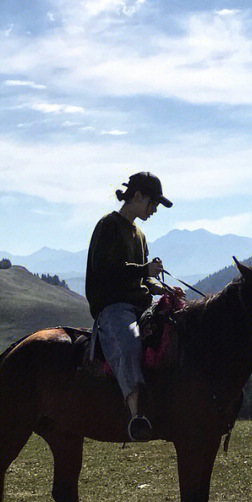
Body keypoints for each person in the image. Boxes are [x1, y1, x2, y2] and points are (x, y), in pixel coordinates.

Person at [85, 171, 174, 441]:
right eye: (153, 203)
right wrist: (144, 270)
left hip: (138, 305)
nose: (154, 210)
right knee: (129, 342)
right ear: (137, 196)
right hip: (113, 306)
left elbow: (140, 278)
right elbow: (106, 271)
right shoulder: (108, 226)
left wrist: (158, 287)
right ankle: (137, 415)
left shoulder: (141, 236)